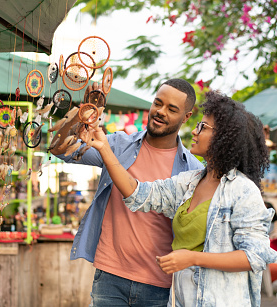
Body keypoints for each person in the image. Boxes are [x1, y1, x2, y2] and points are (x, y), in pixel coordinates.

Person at [81, 90, 277, 307]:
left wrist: (193, 258)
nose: (194, 132)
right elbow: (139, 194)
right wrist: (105, 149)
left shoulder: (242, 190)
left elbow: (255, 256)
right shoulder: (189, 183)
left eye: (202, 127)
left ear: (223, 138)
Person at [50, 79, 204, 306]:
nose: (161, 112)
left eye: (172, 109)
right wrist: (85, 111)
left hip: (158, 284)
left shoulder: (192, 170)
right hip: (110, 275)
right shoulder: (118, 144)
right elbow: (59, 149)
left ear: (186, 117)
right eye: (158, 103)